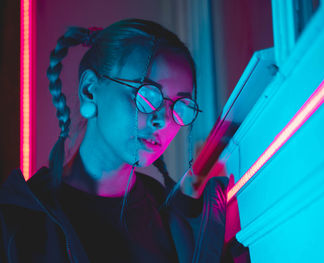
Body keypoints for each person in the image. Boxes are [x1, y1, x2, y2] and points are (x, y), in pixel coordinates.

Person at [0, 19, 229, 263]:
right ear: (90, 90)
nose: (162, 120)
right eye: (148, 94)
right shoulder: (16, 220)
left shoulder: (183, 224)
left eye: (180, 106)